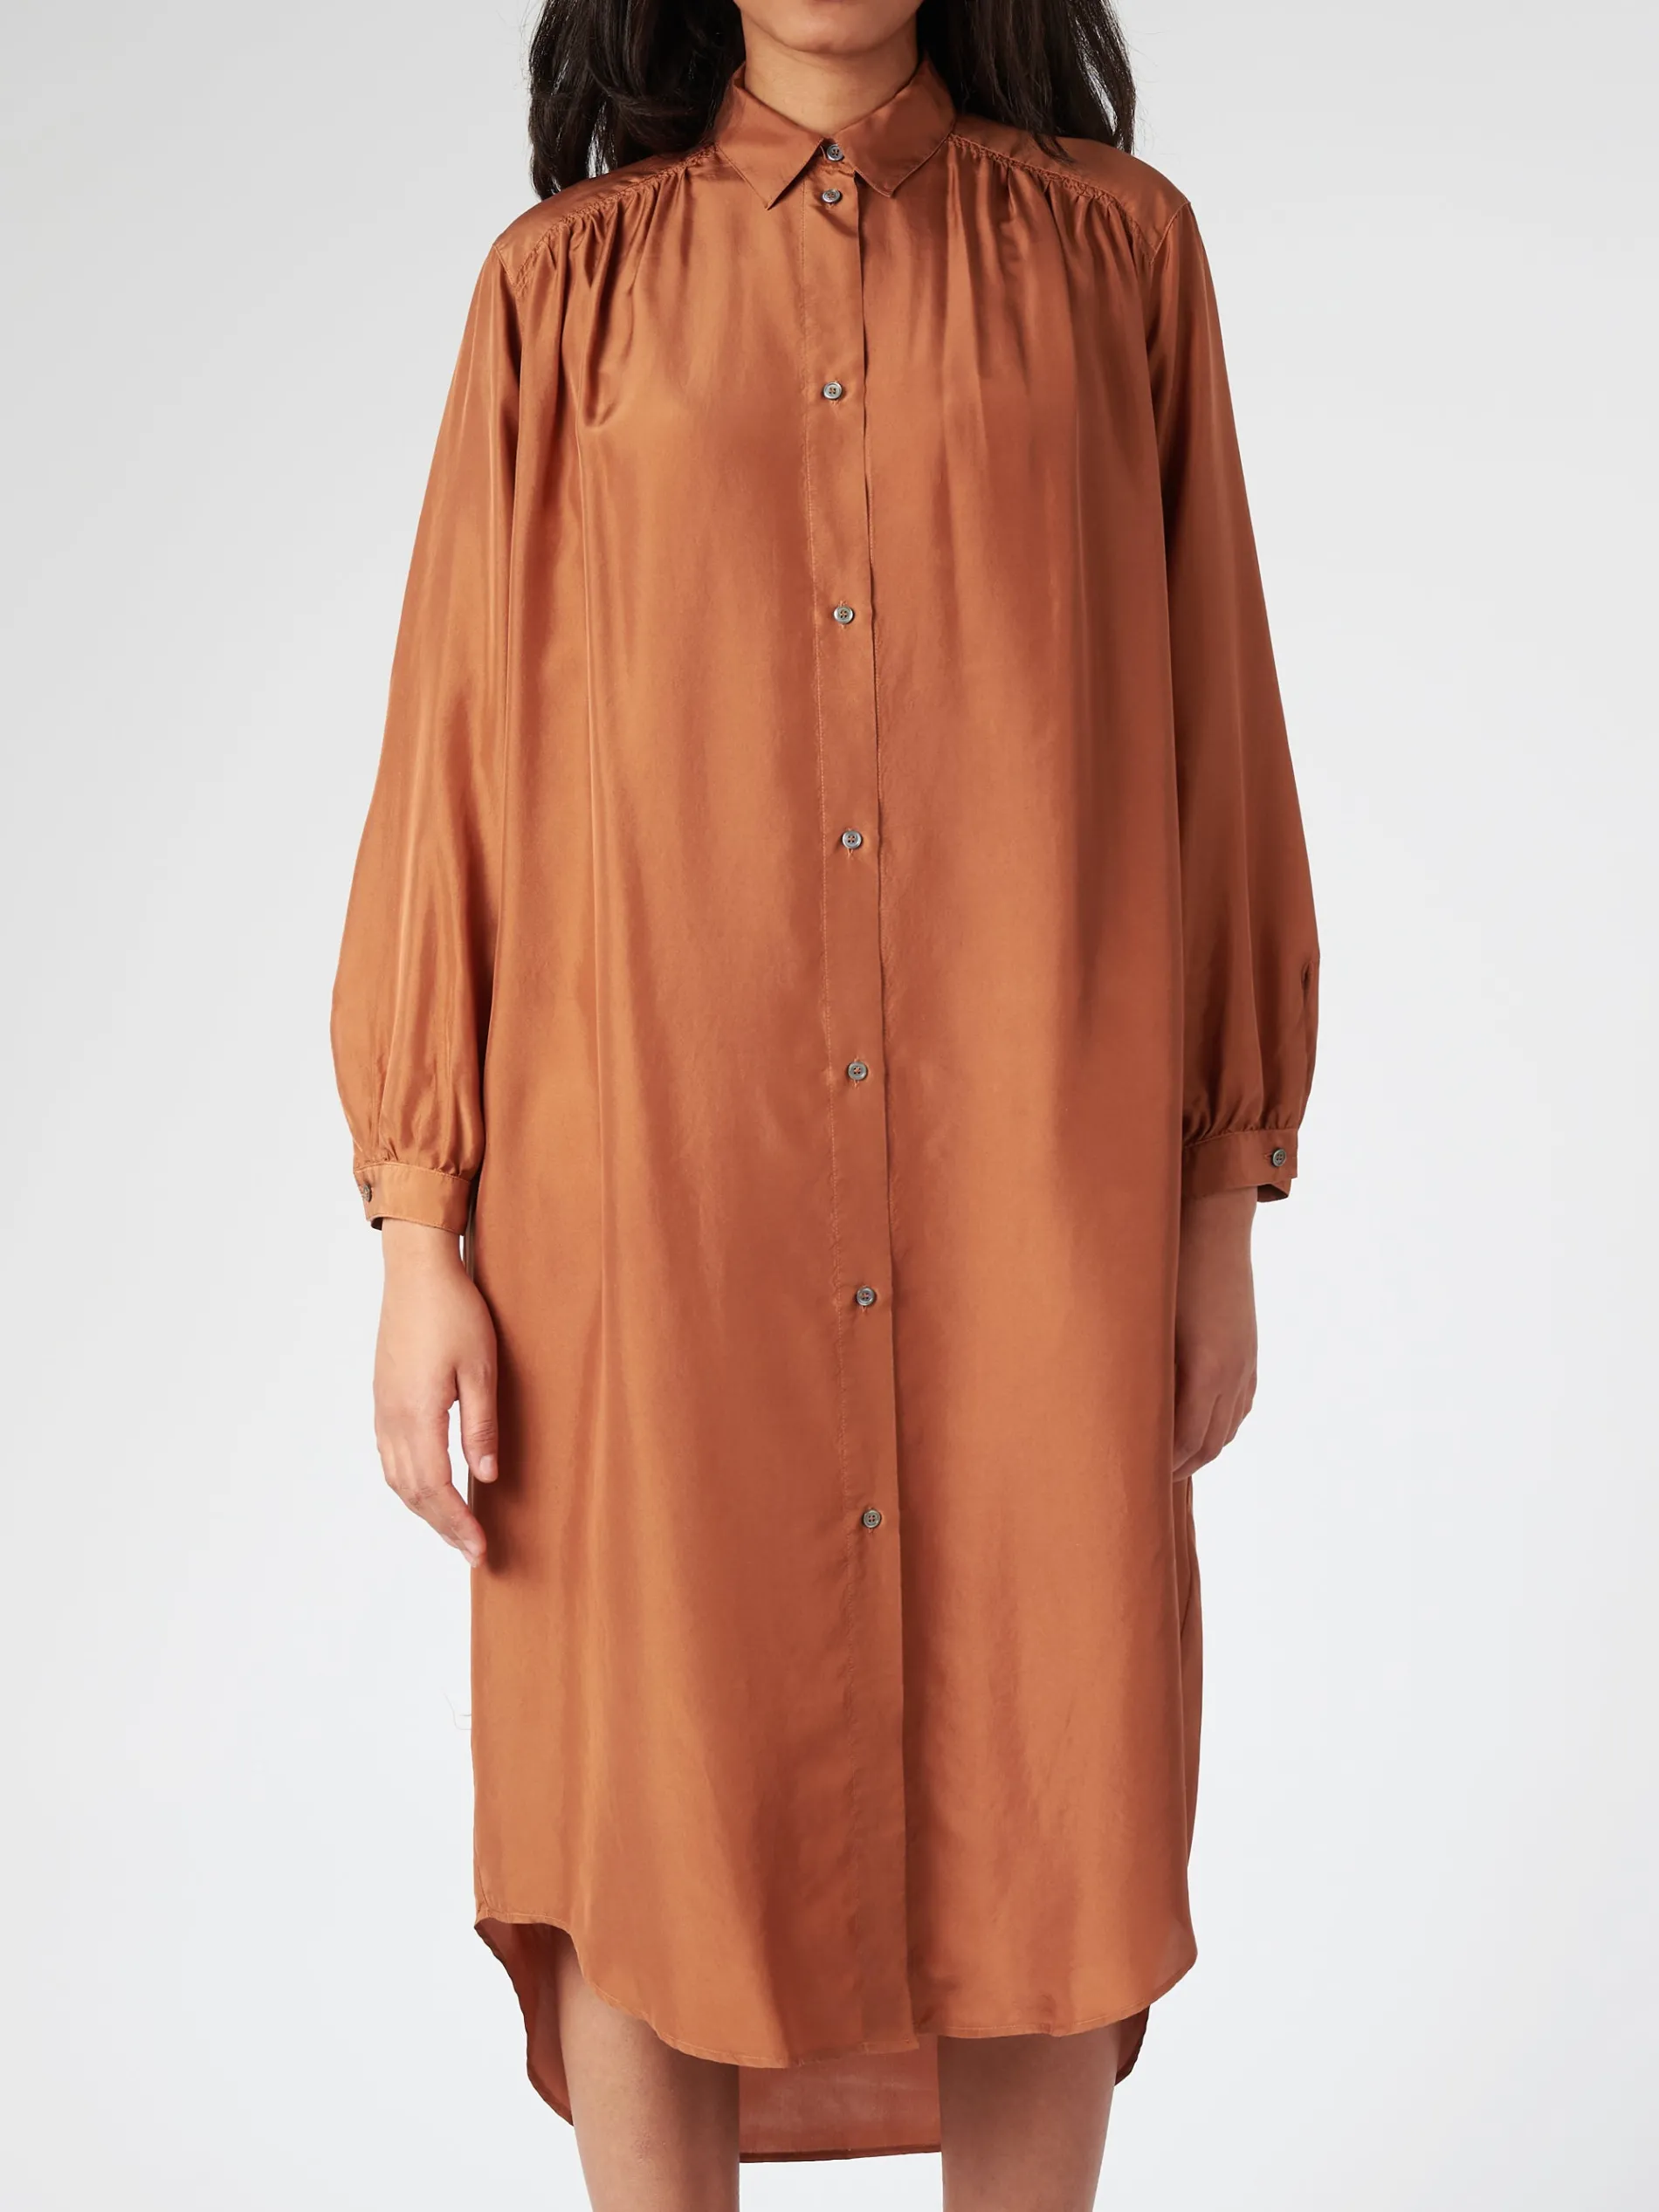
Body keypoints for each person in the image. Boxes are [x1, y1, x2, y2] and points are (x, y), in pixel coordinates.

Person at [330, 1, 1318, 2204]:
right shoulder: (561, 294)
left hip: (1028, 1193)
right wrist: (418, 1225)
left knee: (1045, 1771)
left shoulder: (1118, 262)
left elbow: (1212, 730)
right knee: (652, 1788)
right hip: (647, 1201)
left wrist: (1216, 1199)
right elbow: (455, 749)